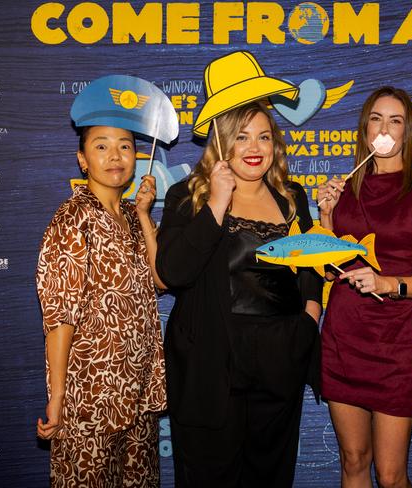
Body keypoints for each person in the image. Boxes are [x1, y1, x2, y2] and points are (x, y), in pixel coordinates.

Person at [156, 101, 322, 487]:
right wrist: (217, 202)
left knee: (270, 474)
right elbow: (171, 273)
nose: (254, 147)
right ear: (222, 143)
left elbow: (312, 260)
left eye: (264, 137)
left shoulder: (291, 197)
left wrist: (309, 316)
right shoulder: (190, 194)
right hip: (211, 363)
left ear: (275, 145)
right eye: (242, 136)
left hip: (280, 358)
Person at [317, 86, 412, 488]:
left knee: (391, 476)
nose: (385, 127)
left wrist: (386, 282)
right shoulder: (344, 190)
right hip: (343, 336)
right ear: (365, 128)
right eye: (376, 118)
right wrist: (324, 215)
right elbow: (327, 269)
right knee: (354, 459)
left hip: (394, 344)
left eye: (395, 120)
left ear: (407, 132)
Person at [35, 125, 167, 486]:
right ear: (82, 160)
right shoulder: (71, 219)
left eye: (125, 146)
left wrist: (143, 214)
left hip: (137, 392)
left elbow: (161, 280)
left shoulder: (134, 215)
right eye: (102, 146)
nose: (115, 155)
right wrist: (58, 396)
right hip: (90, 398)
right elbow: (60, 316)